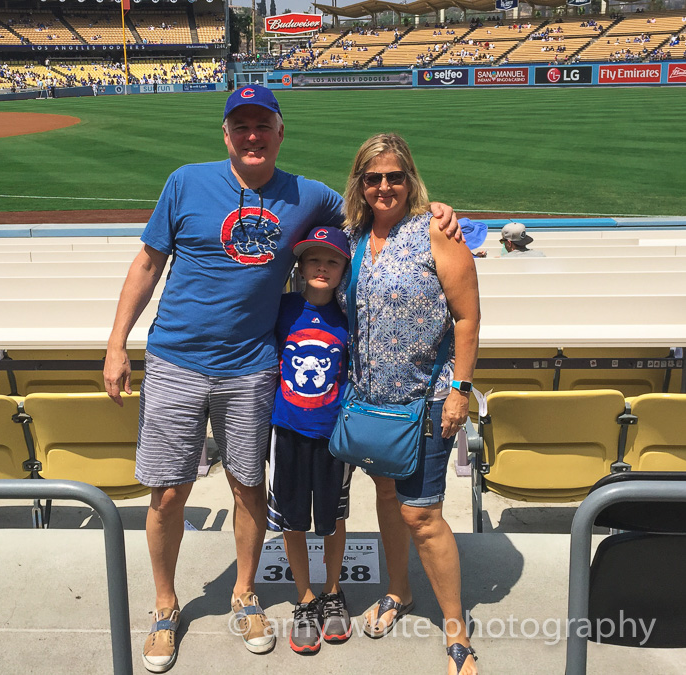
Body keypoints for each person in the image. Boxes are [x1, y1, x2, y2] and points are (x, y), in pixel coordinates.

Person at [102, 86, 460, 673]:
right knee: (167, 493)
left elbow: (374, 208)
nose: (252, 136)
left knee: (249, 487)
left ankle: (245, 595)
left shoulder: (307, 194)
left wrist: (433, 211)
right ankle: (165, 605)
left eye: (262, 125)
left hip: (251, 366)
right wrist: (118, 343)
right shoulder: (185, 183)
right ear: (226, 133)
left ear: (279, 132)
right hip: (175, 360)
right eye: (241, 126)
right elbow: (147, 263)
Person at [340, 133, 480, 675]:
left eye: (394, 176)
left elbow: (467, 317)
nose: (384, 186)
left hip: (427, 399)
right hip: (371, 401)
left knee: (422, 514)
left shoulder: (435, 232)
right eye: (373, 177)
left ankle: (456, 630)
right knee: (386, 495)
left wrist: (460, 390)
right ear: (360, 183)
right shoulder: (351, 236)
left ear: (410, 179)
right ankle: (399, 590)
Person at [266, 226, 352, 655]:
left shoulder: (350, 316)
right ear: (299, 266)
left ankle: (333, 591)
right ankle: (304, 597)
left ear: (344, 269)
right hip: (287, 432)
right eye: (313, 259)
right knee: (292, 519)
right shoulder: (282, 308)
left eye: (332, 261)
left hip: (333, 435)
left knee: (334, 517)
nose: (322, 267)